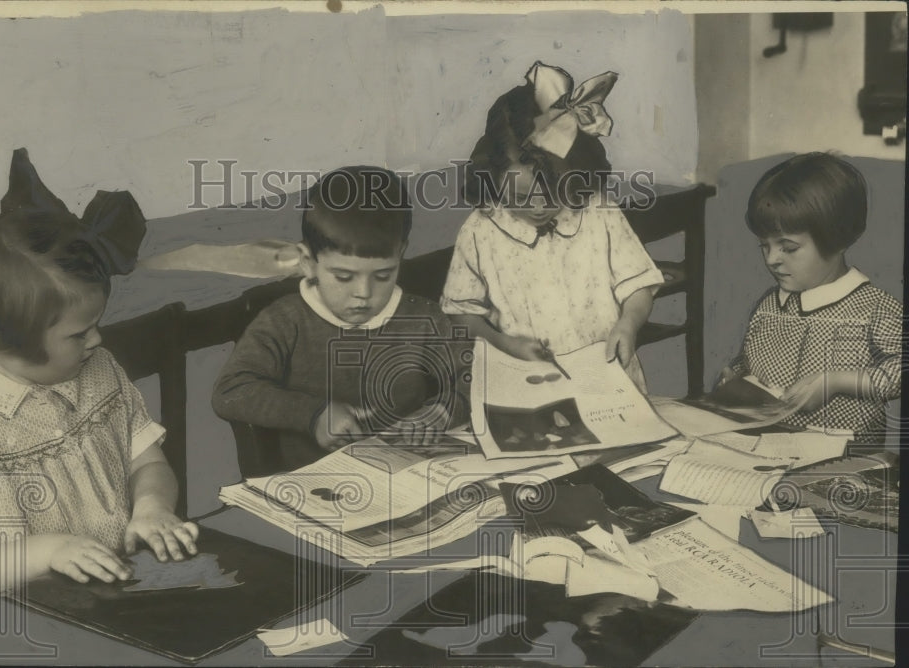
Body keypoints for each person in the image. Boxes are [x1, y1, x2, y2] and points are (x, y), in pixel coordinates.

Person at [0, 151, 197, 607]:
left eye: (96, 322)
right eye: (78, 333)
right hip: (25, 627)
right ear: (1, 337)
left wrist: (153, 505)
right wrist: (49, 551)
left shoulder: (101, 371)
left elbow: (148, 462)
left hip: (118, 599)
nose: (96, 339)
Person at [212, 166, 468, 472]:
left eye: (383, 275)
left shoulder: (424, 317)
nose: (363, 293)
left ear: (401, 254)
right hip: (316, 486)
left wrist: (443, 410)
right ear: (308, 263)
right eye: (344, 276)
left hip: (412, 475)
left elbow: (476, 376)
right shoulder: (286, 321)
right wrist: (314, 414)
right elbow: (230, 391)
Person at [441, 61, 664, 391]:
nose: (536, 207)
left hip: (607, 380)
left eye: (551, 194)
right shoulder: (480, 230)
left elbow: (637, 285)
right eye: (518, 196)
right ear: (492, 176)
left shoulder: (598, 211)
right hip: (527, 386)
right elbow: (461, 311)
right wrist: (502, 343)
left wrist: (629, 324)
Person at [721, 152, 902, 446]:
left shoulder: (874, 307)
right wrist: (735, 379)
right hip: (767, 445)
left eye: (788, 248)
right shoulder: (769, 304)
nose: (772, 259)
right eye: (764, 246)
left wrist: (836, 382)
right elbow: (747, 361)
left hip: (849, 457)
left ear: (838, 240)